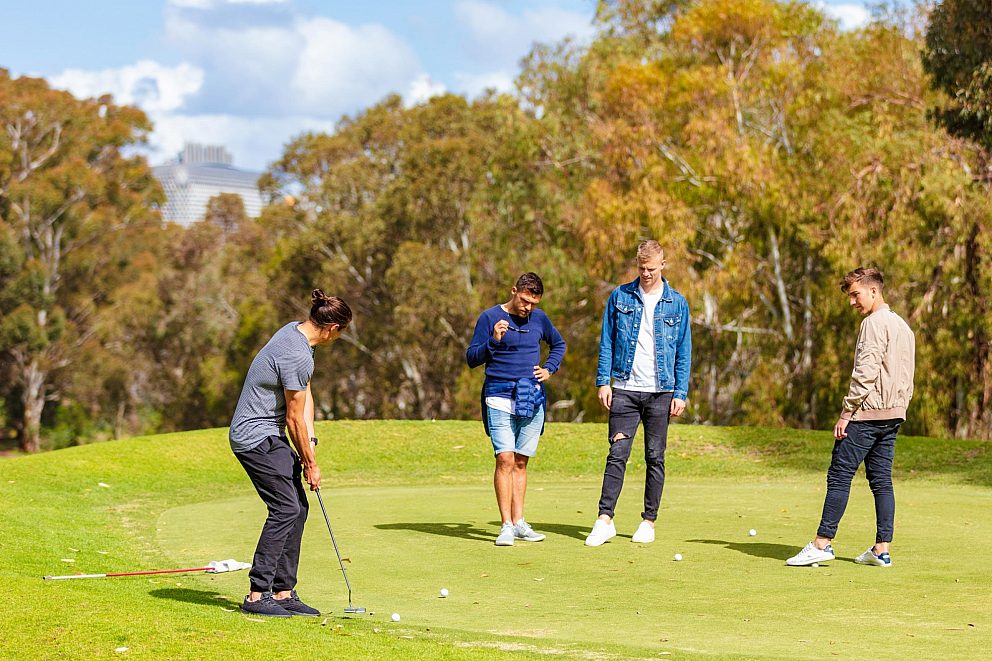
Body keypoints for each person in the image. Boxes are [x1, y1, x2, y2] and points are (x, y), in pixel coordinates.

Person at [229, 289, 352, 616]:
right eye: (340, 334)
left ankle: (283, 592)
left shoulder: (294, 333)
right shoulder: (296, 354)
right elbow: (293, 416)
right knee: (285, 508)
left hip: (269, 434)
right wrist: (311, 465)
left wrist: (309, 442)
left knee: (297, 507)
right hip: (254, 437)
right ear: (331, 329)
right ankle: (257, 594)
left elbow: (304, 393)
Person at [787, 268, 915, 567]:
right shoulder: (903, 326)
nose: (852, 302)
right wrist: (900, 409)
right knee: (882, 481)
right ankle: (882, 549)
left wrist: (847, 412)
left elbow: (865, 373)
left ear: (874, 291)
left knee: (839, 476)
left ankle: (822, 543)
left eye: (856, 294)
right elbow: (908, 377)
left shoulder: (874, 324)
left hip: (866, 414)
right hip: (893, 415)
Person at [585, 240, 691, 547]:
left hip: (661, 391)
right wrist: (603, 381)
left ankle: (648, 521)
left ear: (663, 265)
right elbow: (607, 340)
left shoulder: (677, 303)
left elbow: (683, 351)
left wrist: (680, 392)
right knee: (617, 454)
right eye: (641, 268)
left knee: (655, 457)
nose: (646, 274)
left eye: (652, 269)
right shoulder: (620, 296)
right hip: (625, 388)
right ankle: (605, 520)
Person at [466, 272, 566, 546]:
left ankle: (520, 523)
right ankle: (506, 526)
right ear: (513, 291)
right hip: (498, 396)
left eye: (533, 303)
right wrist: (493, 341)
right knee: (505, 459)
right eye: (524, 301)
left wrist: (549, 368)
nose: (528, 308)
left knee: (521, 461)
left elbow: (558, 344)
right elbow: (471, 358)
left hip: (531, 397)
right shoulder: (489, 318)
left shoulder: (540, 319)